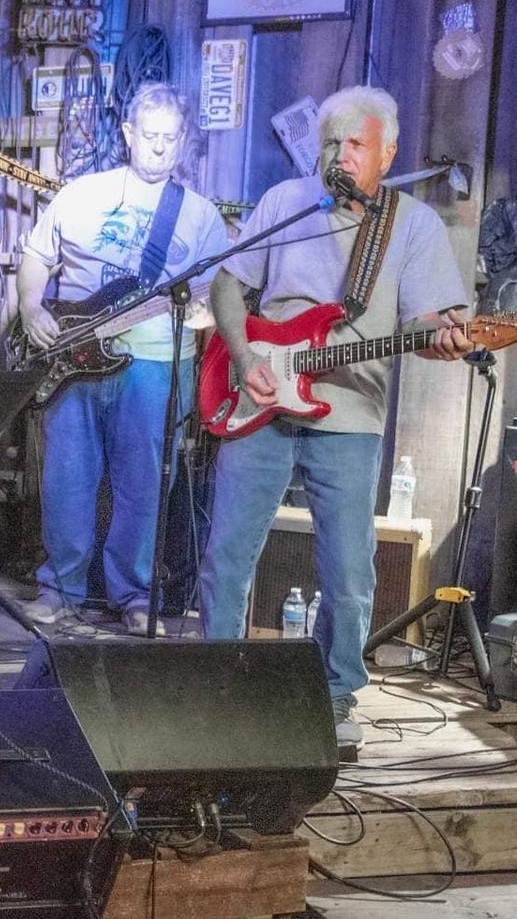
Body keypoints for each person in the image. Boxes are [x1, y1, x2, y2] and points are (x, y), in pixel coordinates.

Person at [196, 85, 472, 749]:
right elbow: (228, 284)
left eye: (355, 144)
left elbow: (430, 319)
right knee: (226, 557)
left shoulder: (413, 226)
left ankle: (337, 693)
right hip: (260, 401)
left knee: (349, 574)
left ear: (388, 153)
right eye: (330, 143)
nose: (340, 155)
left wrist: (443, 336)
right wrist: (244, 356)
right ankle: (216, 685)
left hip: (350, 415)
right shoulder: (287, 203)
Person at [12, 82, 231, 648]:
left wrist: (205, 314)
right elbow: (36, 257)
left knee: (143, 486)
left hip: (154, 364)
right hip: (74, 359)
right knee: (67, 480)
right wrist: (32, 306)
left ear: (183, 140)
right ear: (129, 134)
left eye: (170, 139)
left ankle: (134, 595)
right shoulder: (82, 195)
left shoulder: (200, 215)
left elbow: (218, 296)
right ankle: (59, 589)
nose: (159, 148)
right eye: (149, 136)